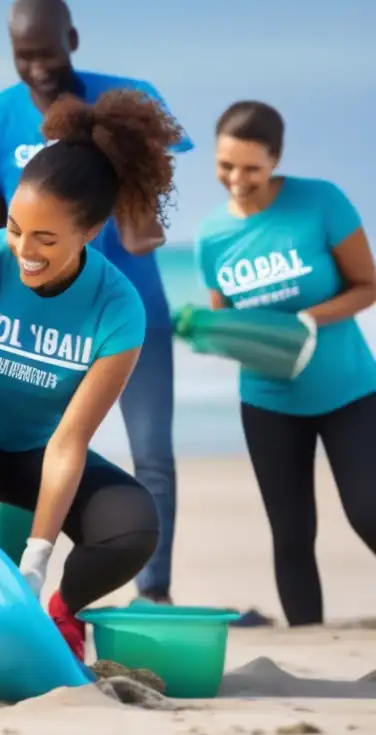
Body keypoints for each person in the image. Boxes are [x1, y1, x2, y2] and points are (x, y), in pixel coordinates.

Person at [0, 89, 182, 661]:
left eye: (45, 239)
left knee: (134, 526)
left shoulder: (118, 308)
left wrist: (38, 557)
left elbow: (70, 441)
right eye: (16, 227)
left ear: (90, 233)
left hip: (40, 452)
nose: (23, 249)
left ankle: (58, 614)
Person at [0, 0, 193, 604]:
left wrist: (115, 155)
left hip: (128, 315)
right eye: (22, 56)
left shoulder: (128, 100)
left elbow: (143, 236)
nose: (36, 68)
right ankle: (3, 593)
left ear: (74, 40)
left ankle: (153, 595)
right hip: (35, 323)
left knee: (153, 456)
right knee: (18, 448)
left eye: (48, 54)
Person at [194, 101, 376, 627]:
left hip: (350, 392)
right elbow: (224, 322)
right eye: (226, 165)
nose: (237, 179)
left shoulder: (320, 202)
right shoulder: (211, 236)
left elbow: (366, 285)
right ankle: (311, 643)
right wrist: (206, 334)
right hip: (269, 402)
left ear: (276, 159)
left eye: (252, 167)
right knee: (292, 533)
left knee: (369, 512)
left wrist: (308, 320)